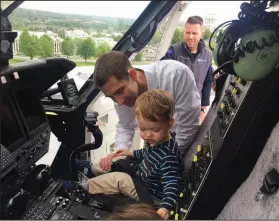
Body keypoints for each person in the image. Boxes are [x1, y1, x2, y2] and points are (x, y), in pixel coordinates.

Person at [64, 89, 183, 220]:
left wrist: (165, 206)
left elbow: (172, 184)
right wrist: (131, 153)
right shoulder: (159, 142)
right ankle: (90, 167)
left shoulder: (169, 158)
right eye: (143, 129)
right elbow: (148, 152)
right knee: (119, 158)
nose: (148, 134)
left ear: (170, 123)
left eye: (155, 129)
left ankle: (84, 187)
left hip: (149, 194)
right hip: (141, 177)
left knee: (119, 179)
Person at [90, 51, 200, 175]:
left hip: (181, 148)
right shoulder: (119, 94)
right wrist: (119, 155)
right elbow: (126, 126)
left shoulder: (176, 74)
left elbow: (187, 129)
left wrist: (161, 161)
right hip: (155, 149)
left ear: (132, 75)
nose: (119, 102)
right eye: (111, 97)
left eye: (120, 91)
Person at [161, 15, 213, 123]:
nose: (190, 36)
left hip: (195, 111)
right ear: (184, 31)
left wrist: (203, 109)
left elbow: (208, 82)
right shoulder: (173, 51)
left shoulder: (207, 55)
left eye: (194, 33)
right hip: (174, 110)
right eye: (187, 32)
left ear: (201, 34)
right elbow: (159, 71)